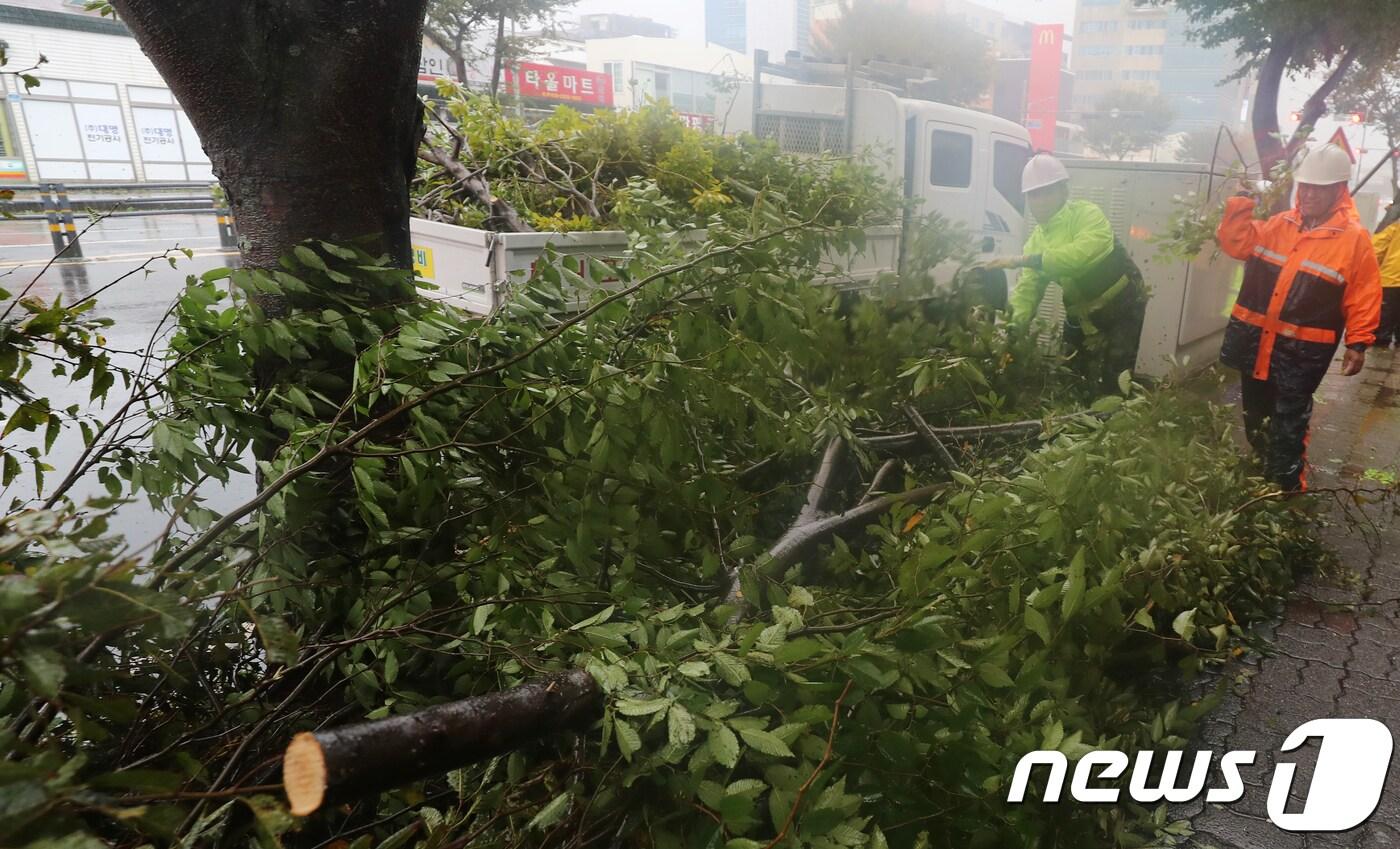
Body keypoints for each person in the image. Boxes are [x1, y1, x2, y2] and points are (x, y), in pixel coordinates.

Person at [1216, 143, 1382, 492]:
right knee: (1254, 415)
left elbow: (1364, 292)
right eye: (1304, 185)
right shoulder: (1280, 224)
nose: (1307, 194)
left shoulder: (1353, 239)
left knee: (1288, 421)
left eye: (1317, 188)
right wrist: (1242, 202)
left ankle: (1286, 488)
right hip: (1256, 341)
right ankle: (1262, 472)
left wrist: (1359, 342)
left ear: (1339, 190)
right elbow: (1237, 244)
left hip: (1301, 353)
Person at [983, 153, 1148, 392]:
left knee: (1115, 378)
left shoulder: (1087, 215)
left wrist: (1022, 260)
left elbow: (1078, 258)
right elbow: (1027, 293)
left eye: (1048, 192)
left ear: (1063, 191)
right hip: (1081, 314)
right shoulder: (1036, 242)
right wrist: (1010, 333)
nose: (1040, 201)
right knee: (1069, 377)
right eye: (1034, 194)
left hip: (1123, 305)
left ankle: (1111, 420)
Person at [1370, 215, 1400, 347]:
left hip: (1391, 280)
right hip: (1391, 278)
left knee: (1382, 328)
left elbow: (1376, 249)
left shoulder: (1394, 220)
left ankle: (1379, 358)